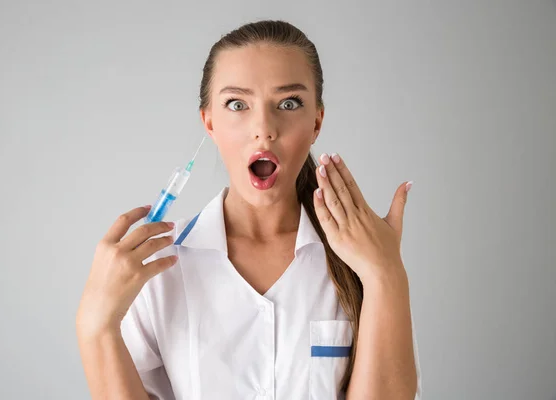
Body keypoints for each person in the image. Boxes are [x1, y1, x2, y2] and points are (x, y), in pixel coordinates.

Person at [76, 20, 422, 400]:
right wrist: (96, 325)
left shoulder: (360, 259)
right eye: (237, 104)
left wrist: (386, 273)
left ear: (316, 121)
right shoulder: (155, 269)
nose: (264, 128)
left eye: (288, 103)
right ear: (209, 122)